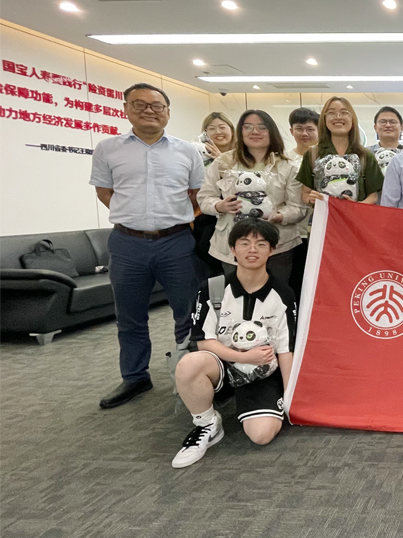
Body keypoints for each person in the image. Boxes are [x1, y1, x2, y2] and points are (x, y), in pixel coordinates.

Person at [89, 83, 204, 409]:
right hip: (127, 243)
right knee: (130, 316)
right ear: (126, 109)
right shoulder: (108, 149)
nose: (149, 110)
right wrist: (137, 221)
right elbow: (104, 192)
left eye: (157, 105)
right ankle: (135, 377)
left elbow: (197, 195)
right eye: (139, 104)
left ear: (167, 111)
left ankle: (189, 375)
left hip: (176, 242)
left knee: (187, 313)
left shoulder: (187, 151)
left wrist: (169, 219)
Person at [170, 218, 298, 468]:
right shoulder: (213, 289)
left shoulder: (283, 293)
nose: (252, 249)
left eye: (261, 244)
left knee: (261, 435)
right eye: (244, 243)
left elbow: (285, 350)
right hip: (221, 366)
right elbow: (203, 342)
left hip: (262, 371)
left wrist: (291, 397)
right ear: (232, 249)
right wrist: (242, 357)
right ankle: (207, 424)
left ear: (272, 250)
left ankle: (255, 405)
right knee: (189, 363)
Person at [198, 110, 306, 284]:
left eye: (262, 127)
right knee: (236, 296)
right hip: (233, 246)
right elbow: (205, 198)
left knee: (276, 295)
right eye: (248, 127)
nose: (255, 132)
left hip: (277, 245)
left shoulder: (288, 166)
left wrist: (280, 216)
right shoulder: (223, 162)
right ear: (240, 131)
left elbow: (298, 208)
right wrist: (220, 206)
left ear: (271, 131)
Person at [297, 95, 383, 207]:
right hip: (324, 216)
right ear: (324, 119)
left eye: (344, 112)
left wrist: (354, 207)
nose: (338, 117)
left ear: (352, 118)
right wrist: (310, 198)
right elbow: (305, 193)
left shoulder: (365, 156)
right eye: (331, 113)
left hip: (355, 216)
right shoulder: (313, 154)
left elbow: (373, 196)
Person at [193, 112, 238, 277]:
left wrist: (221, 160)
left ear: (231, 130)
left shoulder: (242, 154)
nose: (218, 132)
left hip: (236, 216)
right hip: (207, 216)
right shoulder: (198, 154)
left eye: (222, 127)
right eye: (211, 129)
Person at [287, 107, 320, 298]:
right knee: (296, 282)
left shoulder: (326, 159)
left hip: (318, 230)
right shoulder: (283, 159)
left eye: (310, 129)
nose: (304, 133)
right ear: (291, 131)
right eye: (299, 128)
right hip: (292, 232)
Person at [368, 105, 403, 174]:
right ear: (375, 127)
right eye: (383, 122)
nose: (388, 125)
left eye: (393, 122)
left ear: (401, 128)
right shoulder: (366, 154)